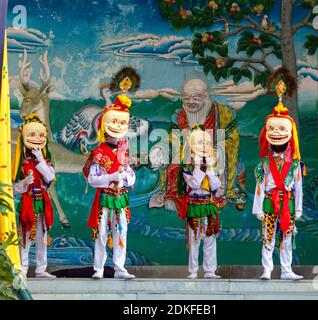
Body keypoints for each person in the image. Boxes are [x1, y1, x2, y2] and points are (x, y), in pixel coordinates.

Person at [149, 78, 245, 212]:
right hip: (187, 154)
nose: (190, 102)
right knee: (175, 166)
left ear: (205, 97)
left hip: (212, 153)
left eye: (195, 98)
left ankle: (213, 196)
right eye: (187, 98)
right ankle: (175, 197)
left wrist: (216, 151)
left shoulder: (224, 115)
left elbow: (232, 140)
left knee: (211, 167)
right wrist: (161, 149)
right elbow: (174, 138)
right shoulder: (181, 115)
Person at [83, 69, 140, 279]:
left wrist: (125, 175)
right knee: (101, 233)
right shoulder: (98, 152)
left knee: (121, 231)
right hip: (105, 197)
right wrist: (110, 177)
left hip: (121, 197)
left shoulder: (125, 151)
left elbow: (132, 177)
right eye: (113, 123)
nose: (117, 129)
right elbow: (92, 178)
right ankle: (98, 268)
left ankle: (119, 267)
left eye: (121, 124)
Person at [252, 81, 304, 280]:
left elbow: (298, 187)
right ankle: (267, 269)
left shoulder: (295, 163)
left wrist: (298, 208)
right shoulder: (264, 164)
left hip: (287, 201)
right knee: (268, 236)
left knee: (287, 237)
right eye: (272, 130)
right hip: (268, 201)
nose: (276, 133)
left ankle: (286, 270)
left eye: (282, 130)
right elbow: (259, 187)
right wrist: (257, 208)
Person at [12, 114, 56, 279]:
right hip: (28, 201)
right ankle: (22, 269)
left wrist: (40, 159)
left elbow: (50, 178)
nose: (36, 138)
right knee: (25, 237)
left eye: (40, 135)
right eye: (32, 135)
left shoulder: (46, 159)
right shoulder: (20, 162)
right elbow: (13, 189)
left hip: (42, 202)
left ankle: (40, 269)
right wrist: (24, 183)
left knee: (41, 236)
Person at [178, 125, 224, 279]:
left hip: (208, 205)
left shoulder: (214, 164)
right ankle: (193, 271)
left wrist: (209, 170)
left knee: (210, 239)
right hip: (195, 205)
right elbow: (194, 184)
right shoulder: (188, 166)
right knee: (194, 240)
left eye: (206, 143)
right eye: (199, 143)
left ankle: (210, 271)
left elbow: (217, 185)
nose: (204, 146)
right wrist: (199, 166)